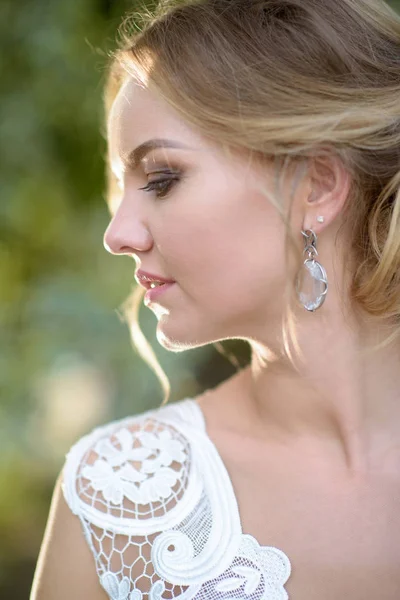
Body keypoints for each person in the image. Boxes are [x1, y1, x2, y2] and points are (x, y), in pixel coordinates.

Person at [30, 0, 400, 598]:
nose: (117, 234)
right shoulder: (117, 506)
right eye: (123, 190)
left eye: (162, 179)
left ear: (317, 184)